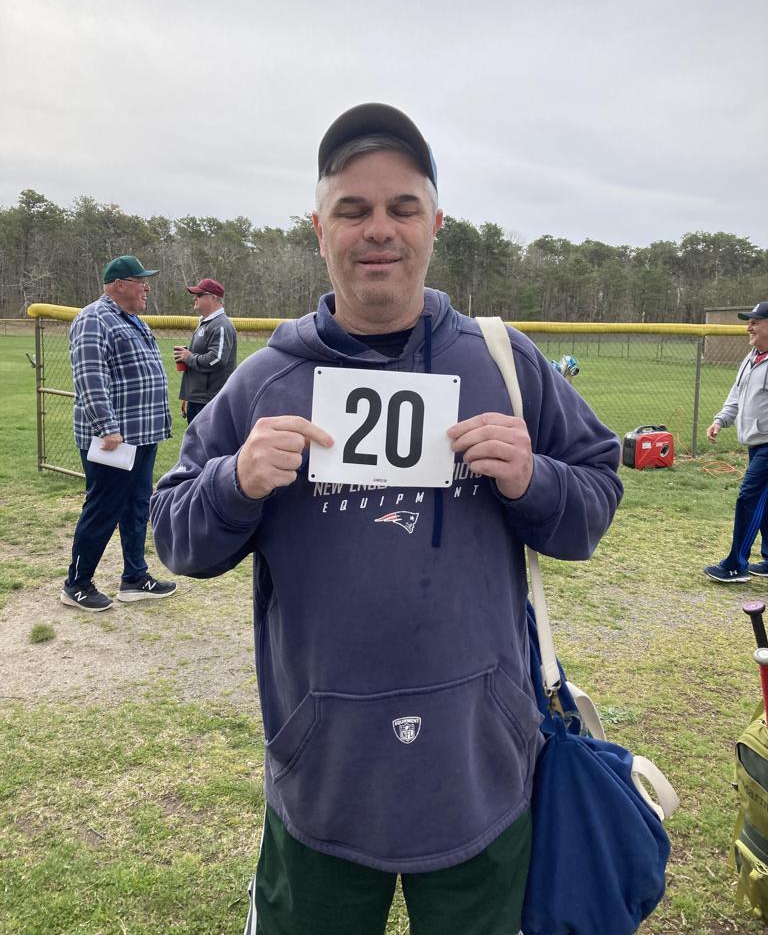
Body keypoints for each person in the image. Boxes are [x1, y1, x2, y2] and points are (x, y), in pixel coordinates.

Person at [150, 103, 623, 935]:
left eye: (403, 208)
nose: (379, 230)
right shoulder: (266, 380)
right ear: (319, 229)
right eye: (353, 209)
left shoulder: (505, 361)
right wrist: (235, 481)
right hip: (323, 779)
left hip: (481, 772)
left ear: (435, 224)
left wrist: (534, 479)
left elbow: (593, 501)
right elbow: (174, 534)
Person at [61, 255, 177, 612]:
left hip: (142, 434)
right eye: (141, 281)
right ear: (120, 285)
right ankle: (77, 584)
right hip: (114, 439)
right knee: (103, 508)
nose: (147, 287)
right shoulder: (94, 318)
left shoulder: (133, 320)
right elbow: (90, 377)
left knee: (137, 506)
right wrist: (106, 427)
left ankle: (134, 578)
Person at [704, 301, 768, 583]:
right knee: (764, 503)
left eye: (755, 322)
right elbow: (736, 396)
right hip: (757, 444)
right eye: (748, 322)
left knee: (749, 499)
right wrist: (720, 420)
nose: (748, 328)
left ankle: (735, 565)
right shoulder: (751, 358)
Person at [174, 277, 237, 425]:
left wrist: (189, 358)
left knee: (208, 440)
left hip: (210, 400)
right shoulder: (206, 322)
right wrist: (189, 395)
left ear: (213, 298)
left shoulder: (221, 325)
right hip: (198, 399)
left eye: (199, 295)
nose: (195, 298)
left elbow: (217, 359)